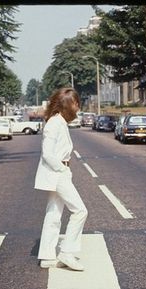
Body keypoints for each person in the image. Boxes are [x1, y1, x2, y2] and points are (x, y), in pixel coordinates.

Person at [34, 87, 88, 271]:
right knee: (80, 211)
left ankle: (47, 256)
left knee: (54, 214)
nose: (78, 107)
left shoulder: (59, 122)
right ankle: (67, 252)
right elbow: (47, 154)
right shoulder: (55, 123)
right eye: (75, 103)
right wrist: (62, 170)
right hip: (58, 173)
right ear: (66, 104)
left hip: (59, 172)